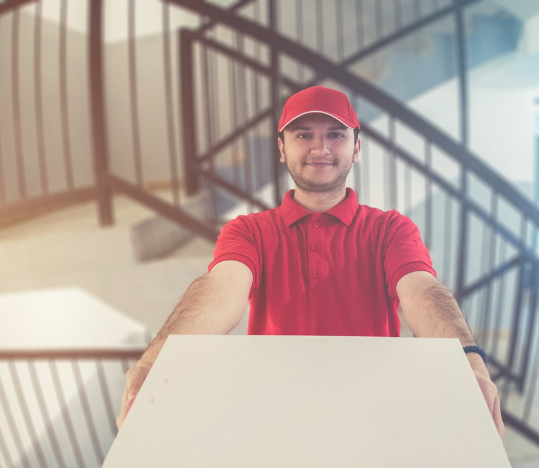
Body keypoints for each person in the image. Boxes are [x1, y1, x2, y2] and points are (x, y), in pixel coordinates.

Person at [116, 86, 503, 436]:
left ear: (356, 147)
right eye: (304, 135)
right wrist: (157, 359)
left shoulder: (390, 229)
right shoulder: (248, 231)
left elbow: (422, 290)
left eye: (335, 134)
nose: (320, 148)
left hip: (373, 411)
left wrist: (468, 359)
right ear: (282, 148)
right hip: (273, 410)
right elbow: (220, 289)